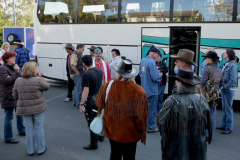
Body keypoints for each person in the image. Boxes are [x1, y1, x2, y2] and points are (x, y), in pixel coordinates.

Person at [95, 59, 148, 160]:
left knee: (115, 154)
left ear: (119, 73)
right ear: (132, 75)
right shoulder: (139, 91)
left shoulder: (107, 86)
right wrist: (142, 130)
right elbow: (141, 116)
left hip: (112, 129)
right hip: (131, 132)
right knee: (130, 156)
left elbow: (98, 104)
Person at [157, 68, 212, 160]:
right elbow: (207, 123)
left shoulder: (171, 101)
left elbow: (161, 124)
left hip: (177, 146)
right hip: (198, 146)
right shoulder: (202, 99)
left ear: (179, 83)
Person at [12, 62, 50, 155]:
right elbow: (47, 87)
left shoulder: (18, 80)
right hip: (38, 107)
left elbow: (14, 95)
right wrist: (39, 77)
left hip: (25, 108)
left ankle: (30, 150)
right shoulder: (38, 80)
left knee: (28, 129)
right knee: (39, 128)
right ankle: (41, 148)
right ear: (33, 70)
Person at [0, 51, 25, 144]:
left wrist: (18, 71)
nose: (14, 59)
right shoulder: (2, 68)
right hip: (8, 95)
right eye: (12, 58)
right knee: (9, 116)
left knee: (19, 113)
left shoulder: (13, 67)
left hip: (15, 94)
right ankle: (8, 137)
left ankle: (22, 130)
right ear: (6, 59)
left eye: (14, 58)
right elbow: (7, 81)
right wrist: (16, 72)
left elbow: (21, 76)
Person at [79, 55, 103, 150]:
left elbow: (86, 90)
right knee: (100, 118)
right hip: (99, 98)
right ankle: (101, 136)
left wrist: (81, 104)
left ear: (84, 64)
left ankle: (94, 144)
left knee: (91, 121)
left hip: (91, 100)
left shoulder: (86, 74)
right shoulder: (99, 70)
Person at [201, 51, 223, 139]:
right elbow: (222, 83)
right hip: (215, 94)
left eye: (206, 58)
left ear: (210, 59)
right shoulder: (219, 69)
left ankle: (205, 134)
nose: (206, 59)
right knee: (213, 114)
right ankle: (211, 134)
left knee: (205, 113)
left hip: (206, 94)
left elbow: (203, 82)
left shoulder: (207, 68)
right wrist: (216, 89)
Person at [139, 47, 162, 133]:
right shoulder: (152, 62)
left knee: (144, 109)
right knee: (151, 110)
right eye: (157, 54)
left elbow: (140, 73)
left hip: (144, 88)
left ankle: (143, 125)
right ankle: (151, 127)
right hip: (152, 90)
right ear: (154, 53)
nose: (157, 56)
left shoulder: (142, 60)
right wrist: (160, 74)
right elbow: (155, 77)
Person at [216, 49, 238, 134]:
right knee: (224, 108)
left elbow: (233, 79)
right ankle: (224, 125)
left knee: (228, 108)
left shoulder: (232, 65)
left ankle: (229, 127)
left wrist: (225, 87)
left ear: (228, 54)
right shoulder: (226, 63)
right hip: (224, 88)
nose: (223, 54)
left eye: (225, 53)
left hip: (228, 89)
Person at [69, 43, 85, 108]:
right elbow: (72, 65)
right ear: (79, 48)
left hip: (75, 74)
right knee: (79, 89)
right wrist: (78, 73)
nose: (83, 50)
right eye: (83, 49)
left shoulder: (77, 55)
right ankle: (78, 104)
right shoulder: (75, 55)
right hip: (76, 74)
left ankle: (75, 103)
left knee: (76, 88)